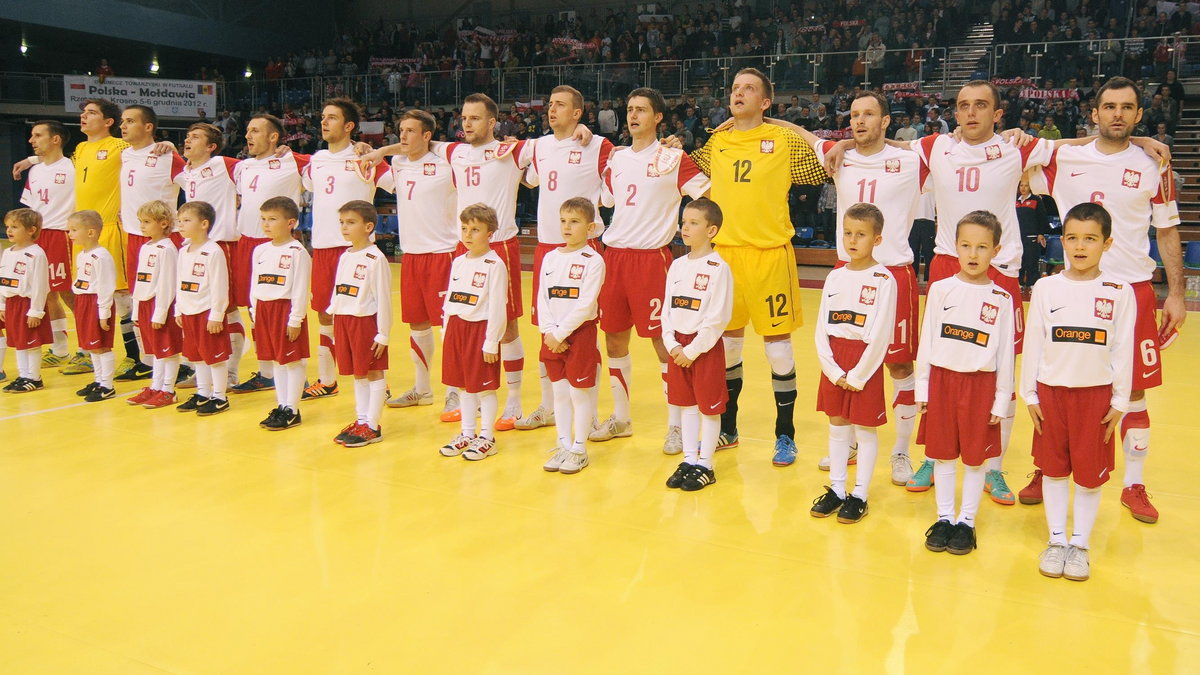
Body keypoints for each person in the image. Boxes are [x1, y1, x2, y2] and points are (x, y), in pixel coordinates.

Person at [1022, 77, 1184, 523]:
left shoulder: (1156, 165)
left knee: (1132, 392)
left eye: (1126, 107)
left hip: (1131, 290)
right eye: (1108, 106)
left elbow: (1167, 230)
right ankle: (1045, 468)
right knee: (1056, 385)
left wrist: (1175, 293)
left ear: (1138, 115)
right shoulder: (1065, 156)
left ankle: (1133, 484)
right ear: (1094, 113)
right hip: (1072, 289)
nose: (1117, 114)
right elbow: (1021, 158)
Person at [774, 91, 922, 485]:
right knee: (848, 358)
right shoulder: (838, 157)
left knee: (899, 364)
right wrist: (752, 121)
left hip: (894, 272)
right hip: (848, 274)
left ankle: (902, 452)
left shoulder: (912, 158)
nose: (859, 121)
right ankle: (851, 441)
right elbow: (797, 133)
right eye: (854, 115)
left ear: (885, 121)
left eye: (869, 114)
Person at [688, 68, 830, 467]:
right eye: (734, 88)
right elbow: (682, 168)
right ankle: (729, 429)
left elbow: (827, 160)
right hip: (725, 257)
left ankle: (785, 435)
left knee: (779, 350)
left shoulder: (783, 139)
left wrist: (781, 122)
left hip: (770, 255)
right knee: (729, 345)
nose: (738, 93)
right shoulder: (716, 143)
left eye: (749, 89)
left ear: (765, 102)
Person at [592, 88, 710, 453]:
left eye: (641, 110)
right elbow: (608, 199)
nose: (633, 115)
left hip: (651, 260)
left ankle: (675, 425)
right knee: (613, 338)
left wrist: (697, 240)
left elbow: (706, 195)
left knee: (665, 343)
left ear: (658, 117)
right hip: (614, 258)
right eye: (629, 109)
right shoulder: (617, 158)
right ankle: (622, 417)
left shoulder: (673, 158)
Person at [1023, 202, 1135, 582]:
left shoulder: (1119, 292)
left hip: (1096, 398)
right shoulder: (1046, 287)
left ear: (1107, 243)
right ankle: (1056, 540)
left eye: (1090, 238)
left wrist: (1120, 401)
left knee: (1089, 476)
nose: (1080, 246)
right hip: (1051, 395)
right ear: (1062, 241)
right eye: (1072, 238)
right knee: (1053, 471)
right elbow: (1034, 344)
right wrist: (1030, 395)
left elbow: (1123, 348)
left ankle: (1080, 544)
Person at [917, 211, 1016, 556]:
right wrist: (923, 389)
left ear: (996, 250)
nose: (973, 254)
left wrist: (1001, 400)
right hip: (943, 382)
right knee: (943, 457)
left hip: (981, 386)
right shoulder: (941, 289)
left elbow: (1006, 355)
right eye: (966, 246)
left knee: (974, 460)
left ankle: (967, 522)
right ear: (954, 247)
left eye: (982, 247)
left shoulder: (1002, 299)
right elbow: (926, 341)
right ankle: (944, 517)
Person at [518, 85, 613, 433]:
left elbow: (625, 168)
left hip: (584, 250)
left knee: (585, 334)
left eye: (560, 105)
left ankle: (589, 415)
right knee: (547, 334)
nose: (551, 109)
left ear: (578, 113)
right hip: (547, 248)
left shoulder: (598, 144)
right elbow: (525, 174)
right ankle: (549, 407)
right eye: (550, 104)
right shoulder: (539, 145)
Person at [299, 98, 394, 401]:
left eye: (332, 118)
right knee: (326, 316)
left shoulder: (365, 157)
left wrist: (380, 153)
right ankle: (328, 380)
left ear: (349, 126)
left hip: (356, 252)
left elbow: (398, 181)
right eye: (323, 117)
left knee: (364, 317)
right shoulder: (316, 160)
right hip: (324, 249)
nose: (324, 122)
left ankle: (379, 376)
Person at [811, 203, 896, 523]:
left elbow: (882, 333)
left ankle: (859, 494)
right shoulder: (835, 276)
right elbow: (822, 328)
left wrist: (858, 375)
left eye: (860, 234)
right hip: (834, 360)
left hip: (864, 363)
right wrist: (831, 369)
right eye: (847, 233)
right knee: (836, 425)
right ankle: (837, 489)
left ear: (876, 239)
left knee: (864, 429)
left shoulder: (883, 279)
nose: (852, 240)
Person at [377, 110, 458, 412]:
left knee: (448, 327)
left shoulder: (447, 165)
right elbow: (376, 164)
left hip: (442, 254)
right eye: (401, 130)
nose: (404, 136)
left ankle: (455, 390)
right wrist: (379, 151)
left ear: (427, 136)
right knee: (417, 325)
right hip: (410, 256)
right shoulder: (398, 164)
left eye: (411, 131)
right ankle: (422, 389)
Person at [229, 114, 311, 394]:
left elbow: (333, 161)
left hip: (281, 245)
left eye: (255, 131)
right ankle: (267, 373)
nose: (248, 136)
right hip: (248, 245)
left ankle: (296, 368)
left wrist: (363, 148)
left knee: (285, 307)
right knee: (256, 309)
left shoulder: (292, 161)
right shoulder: (243, 167)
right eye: (247, 130)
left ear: (274, 136)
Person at [661, 198, 733, 492]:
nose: (685, 227)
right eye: (683, 222)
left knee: (708, 408)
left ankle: (706, 463)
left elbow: (717, 318)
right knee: (686, 405)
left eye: (693, 223)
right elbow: (667, 311)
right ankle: (690, 458)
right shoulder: (677, 265)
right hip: (678, 348)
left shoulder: (719, 268)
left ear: (711, 230)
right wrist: (672, 345)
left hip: (703, 349)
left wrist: (691, 351)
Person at [116, 105, 185, 382]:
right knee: (141, 302)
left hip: (164, 240)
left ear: (148, 127)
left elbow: (195, 183)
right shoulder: (124, 154)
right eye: (122, 121)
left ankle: (182, 360)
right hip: (134, 238)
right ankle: (149, 361)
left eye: (130, 121)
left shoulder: (167, 156)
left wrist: (172, 147)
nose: (123, 126)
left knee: (167, 303)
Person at [538, 198, 606, 475]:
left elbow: (586, 304)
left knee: (580, 393)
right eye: (564, 220)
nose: (567, 226)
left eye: (575, 221)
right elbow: (542, 298)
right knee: (560, 393)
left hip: (579, 334)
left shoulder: (593, 260)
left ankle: (579, 447)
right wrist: (549, 332)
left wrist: (561, 333)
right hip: (552, 335)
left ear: (590, 227)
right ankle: (563, 444)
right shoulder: (550, 257)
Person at [175, 122, 245, 388]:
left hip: (221, 243)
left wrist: (281, 150)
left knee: (227, 308)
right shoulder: (186, 171)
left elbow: (258, 165)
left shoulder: (224, 164)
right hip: (195, 246)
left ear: (211, 146)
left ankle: (230, 372)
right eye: (187, 136)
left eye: (195, 137)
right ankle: (204, 368)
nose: (188, 140)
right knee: (198, 307)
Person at [438, 204, 509, 461]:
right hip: (458, 328)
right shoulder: (458, 262)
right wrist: (446, 331)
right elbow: (450, 301)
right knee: (464, 386)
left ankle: (487, 437)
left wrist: (492, 341)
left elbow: (498, 306)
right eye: (465, 229)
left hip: (481, 330)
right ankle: (467, 433)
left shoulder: (494, 264)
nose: (468, 235)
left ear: (490, 233)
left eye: (476, 229)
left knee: (485, 388)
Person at [329, 200, 391, 447]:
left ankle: (373, 426)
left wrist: (383, 334)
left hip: (365, 322)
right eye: (342, 223)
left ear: (368, 227)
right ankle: (361, 419)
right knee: (357, 373)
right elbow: (339, 291)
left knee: (373, 372)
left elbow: (384, 300)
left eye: (351, 223)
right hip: (344, 321)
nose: (345, 228)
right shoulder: (345, 255)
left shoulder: (375, 258)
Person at [250, 196, 311, 431]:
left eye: (272, 219)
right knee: (276, 359)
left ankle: (292, 409)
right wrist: (255, 313)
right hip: (264, 310)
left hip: (285, 310)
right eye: (263, 219)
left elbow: (300, 288)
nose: (266, 224)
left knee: (292, 360)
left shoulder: (297, 251)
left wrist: (296, 318)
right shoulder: (260, 250)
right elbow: (254, 284)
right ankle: (281, 405)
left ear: (291, 222)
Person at [20, 121, 75, 365]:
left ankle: (88, 347)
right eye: (32, 136)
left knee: (70, 293)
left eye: (38, 135)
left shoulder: (73, 167)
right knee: (46, 294)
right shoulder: (35, 171)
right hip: (37, 236)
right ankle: (60, 349)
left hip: (61, 234)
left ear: (56, 139)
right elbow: (31, 208)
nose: (32, 140)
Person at [174, 201, 233, 416]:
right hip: (188, 312)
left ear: (204, 224)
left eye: (187, 221)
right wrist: (178, 310)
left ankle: (219, 396)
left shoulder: (213, 251)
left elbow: (220, 286)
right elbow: (179, 282)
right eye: (179, 221)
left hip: (207, 313)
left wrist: (217, 315)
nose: (181, 225)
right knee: (197, 356)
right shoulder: (184, 251)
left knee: (214, 357)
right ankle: (203, 393)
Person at [125, 201, 183, 409]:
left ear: (164, 223)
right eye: (141, 221)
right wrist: (137, 309)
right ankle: (156, 386)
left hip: (162, 306)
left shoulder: (167, 249)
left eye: (147, 222)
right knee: (156, 350)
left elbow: (168, 283)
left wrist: (160, 312)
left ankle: (168, 389)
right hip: (146, 304)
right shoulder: (146, 247)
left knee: (168, 350)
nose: (142, 226)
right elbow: (141, 281)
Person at [67, 210, 118, 402]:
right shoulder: (82, 254)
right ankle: (98, 380)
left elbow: (106, 286)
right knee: (90, 346)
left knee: (100, 346)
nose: (69, 234)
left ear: (91, 232)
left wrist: (103, 312)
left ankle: (107, 385)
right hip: (83, 301)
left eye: (73, 230)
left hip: (96, 303)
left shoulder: (101, 256)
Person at [0, 208, 51, 392]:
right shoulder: (8, 252)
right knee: (18, 342)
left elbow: (40, 285)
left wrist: (36, 311)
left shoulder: (36, 254)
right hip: (12, 303)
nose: (9, 231)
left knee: (31, 342)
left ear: (31, 230)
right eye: (8, 227)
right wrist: (2, 304)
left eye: (15, 226)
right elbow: (3, 280)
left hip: (28, 304)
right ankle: (23, 375)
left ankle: (35, 377)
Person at [1016, 176, 1049, 292]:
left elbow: (1042, 217)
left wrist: (1040, 233)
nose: (1023, 188)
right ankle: (1019, 283)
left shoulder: (1036, 200)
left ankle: (1032, 284)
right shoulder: (1015, 200)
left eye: (1026, 185)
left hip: (1032, 236)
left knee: (1031, 261)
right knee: (1019, 261)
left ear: (1030, 187)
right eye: (1021, 185)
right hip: (1017, 237)